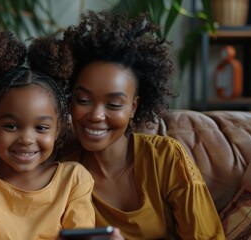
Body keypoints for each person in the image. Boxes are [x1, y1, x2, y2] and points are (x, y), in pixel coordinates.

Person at [61, 11, 225, 239]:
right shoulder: (61, 172)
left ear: (134, 107)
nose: (96, 115)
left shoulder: (166, 158)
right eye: (84, 100)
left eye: (114, 104)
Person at [0, 30, 95, 240]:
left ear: (58, 129)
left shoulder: (74, 180)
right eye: (12, 126)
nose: (27, 139)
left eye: (41, 128)